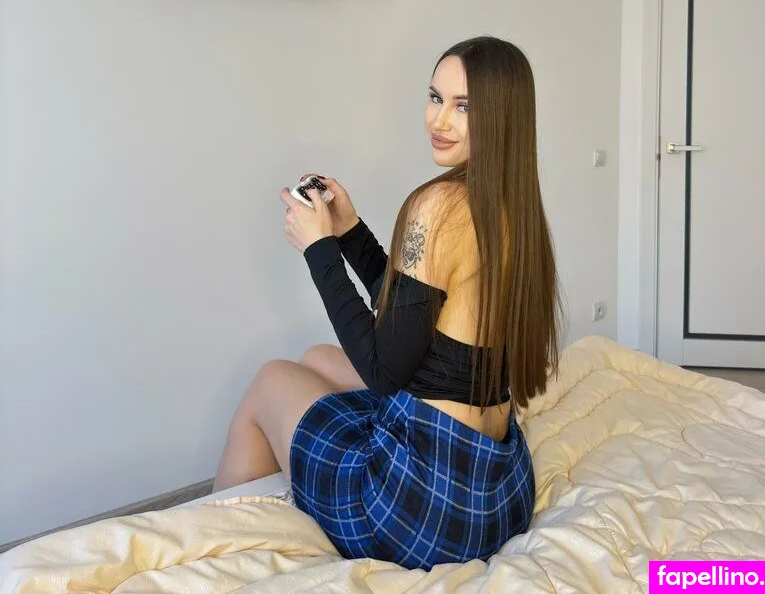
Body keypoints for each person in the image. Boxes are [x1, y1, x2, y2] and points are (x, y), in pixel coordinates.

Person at [213, 36, 561, 569]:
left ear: (500, 115)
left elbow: (381, 370)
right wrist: (349, 231)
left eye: (464, 107)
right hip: (497, 492)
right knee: (315, 359)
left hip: (424, 512)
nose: (438, 120)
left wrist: (318, 250)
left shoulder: (439, 206)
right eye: (435, 97)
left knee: (270, 380)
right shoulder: (512, 205)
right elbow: (410, 318)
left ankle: (218, 552)